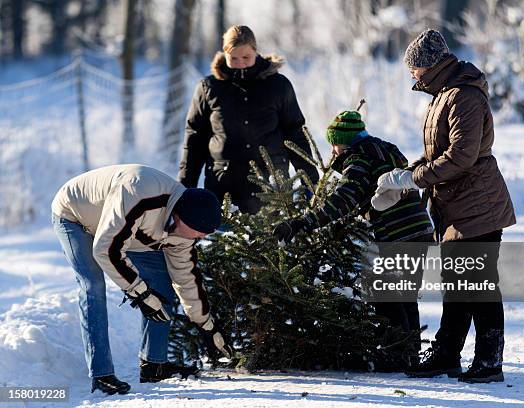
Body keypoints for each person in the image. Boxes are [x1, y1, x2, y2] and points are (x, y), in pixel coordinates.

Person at [372, 29, 516, 383]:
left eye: (414, 70)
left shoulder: (463, 96)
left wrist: (414, 180)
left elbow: (461, 157)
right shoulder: (444, 94)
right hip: (457, 207)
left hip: (477, 205)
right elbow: (440, 154)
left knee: (478, 285)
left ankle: (489, 360)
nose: (412, 76)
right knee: (457, 284)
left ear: (429, 66)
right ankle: (446, 354)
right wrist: (406, 172)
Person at [52, 164, 232, 395]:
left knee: (161, 283)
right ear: (180, 218)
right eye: (199, 232)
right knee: (93, 286)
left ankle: (153, 366)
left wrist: (206, 324)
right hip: (75, 215)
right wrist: (141, 294)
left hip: (128, 229)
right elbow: (106, 250)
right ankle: (101, 374)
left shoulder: (186, 230)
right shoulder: (138, 193)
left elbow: (185, 276)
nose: (203, 237)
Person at [273, 110, 434, 368]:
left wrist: (303, 222)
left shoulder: (359, 159)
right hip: (421, 230)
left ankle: (396, 355)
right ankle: (410, 354)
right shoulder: (386, 151)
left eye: (334, 145)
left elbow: (342, 200)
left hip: (396, 234)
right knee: (405, 295)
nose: (333, 152)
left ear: (343, 142)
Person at [178, 25, 319, 214]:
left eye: (246, 57)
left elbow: (295, 133)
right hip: (222, 187)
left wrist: (311, 181)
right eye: (233, 58)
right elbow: (195, 139)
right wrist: (185, 188)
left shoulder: (278, 85)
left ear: (256, 51)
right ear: (224, 54)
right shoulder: (209, 87)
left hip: (272, 187)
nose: (240, 63)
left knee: (274, 241)